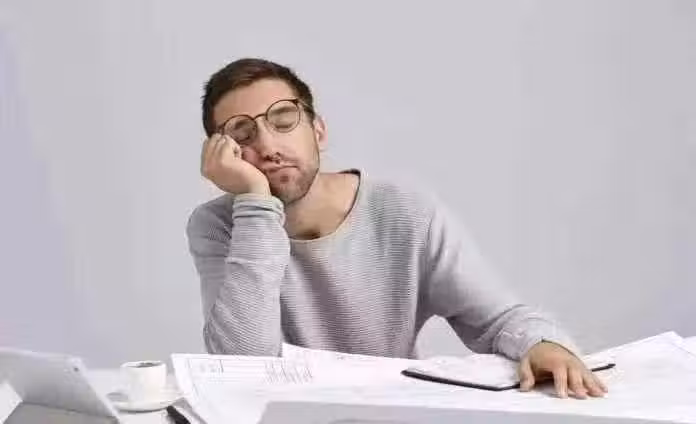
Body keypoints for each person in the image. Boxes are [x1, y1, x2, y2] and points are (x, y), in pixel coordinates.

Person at [186, 58, 607, 399]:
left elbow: (498, 319)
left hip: (391, 410)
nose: (267, 146)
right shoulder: (219, 226)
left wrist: (544, 344)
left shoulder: (404, 211)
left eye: (283, 120)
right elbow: (243, 366)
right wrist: (256, 203)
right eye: (242, 133)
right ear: (222, 156)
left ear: (318, 131)